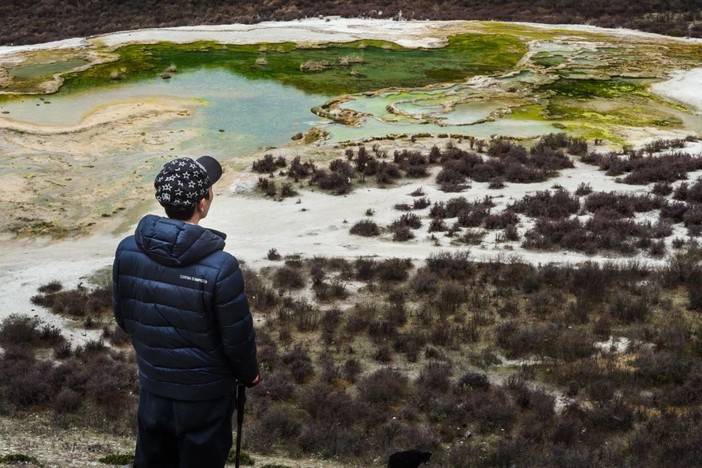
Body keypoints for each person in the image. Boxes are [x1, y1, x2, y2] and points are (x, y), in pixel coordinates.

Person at [111, 155, 260, 468]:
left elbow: (125, 319)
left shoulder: (127, 249)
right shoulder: (221, 267)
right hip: (206, 398)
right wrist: (250, 375)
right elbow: (237, 339)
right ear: (202, 204)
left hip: (154, 386)